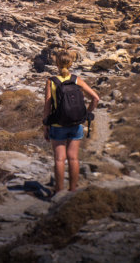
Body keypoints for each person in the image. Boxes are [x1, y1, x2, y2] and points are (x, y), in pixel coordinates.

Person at [42, 49, 99, 193]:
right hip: (75, 124)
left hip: (57, 124)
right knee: (73, 158)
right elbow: (96, 98)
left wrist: (45, 125)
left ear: (56, 63)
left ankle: (58, 191)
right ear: (71, 63)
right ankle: (73, 190)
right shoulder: (76, 79)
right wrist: (86, 114)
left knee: (60, 159)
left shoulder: (51, 81)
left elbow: (47, 105)